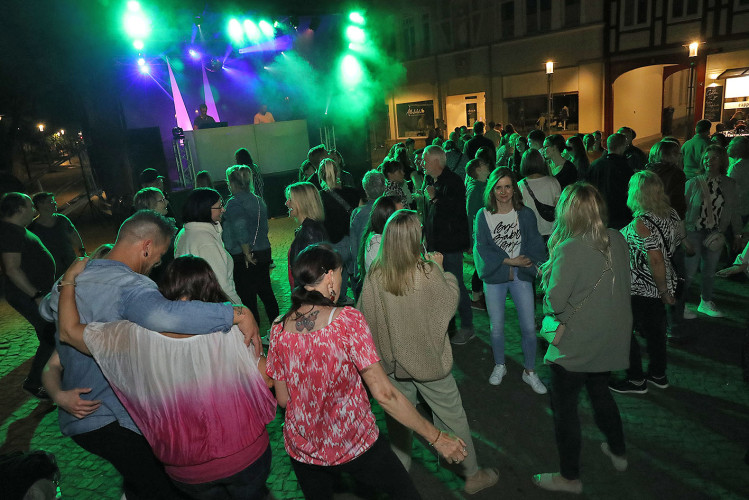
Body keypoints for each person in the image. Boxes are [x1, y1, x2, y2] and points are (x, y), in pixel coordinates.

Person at [40, 210, 261, 500]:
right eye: (159, 253)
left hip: (80, 419)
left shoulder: (73, 280)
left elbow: (47, 312)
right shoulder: (132, 287)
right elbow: (165, 316)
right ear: (146, 246)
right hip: (112, 416)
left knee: (142, 479)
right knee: (165, 487)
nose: (158, 262)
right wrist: (236, 313)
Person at [266, 244, 467, 499]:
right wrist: (436, 437)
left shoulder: (278, 329)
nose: (342, 281)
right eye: (340, 274)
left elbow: (283, 399)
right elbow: (385, 394)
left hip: (303, 450)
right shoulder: (347, 322)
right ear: (329, 276)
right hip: (354, 443)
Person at [359, 210, 499, 495]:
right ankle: (470, 474)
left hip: (392, 364)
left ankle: (400, 474)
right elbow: (449, 305)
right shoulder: (426, 271)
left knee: (400, 419)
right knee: (452, 415)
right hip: (428, 363)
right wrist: (443, 270)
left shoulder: (375, 273)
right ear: (415, 238)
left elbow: (365, 315)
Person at [532, 183, 632, 494]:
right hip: (609, 339)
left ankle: (570, 477)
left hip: (576, 345)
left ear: (568, 212)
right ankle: (618, 452)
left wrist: (547, 277)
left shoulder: (569, 248)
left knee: (565, 411)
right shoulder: (617, 238)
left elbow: (555, 304)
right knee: (601, 394)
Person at [474, 168, 548, 393]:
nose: (503, 192)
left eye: (507, 186)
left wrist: (539, 266)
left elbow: (535, 243)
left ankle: (530, 371)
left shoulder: (524, 214)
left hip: (521, 275)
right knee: (496, 328)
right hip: (496, 276)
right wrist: (510, 262)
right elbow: (481, 248)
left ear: (514, 188)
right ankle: (500, 365)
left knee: (528, 326)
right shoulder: (482, 215)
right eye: (498, 187)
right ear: (492, 189)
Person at [609, 171, 683, 394]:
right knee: (656, 333)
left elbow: (655, 258)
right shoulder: (671, 213)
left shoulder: (641, 223)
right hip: (662, 282)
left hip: (641, 287)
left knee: (625, 331)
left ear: (637, 193)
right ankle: (658, 374)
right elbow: (680, 239)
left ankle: (635, 379)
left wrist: (661, 290)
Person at [0, 192, 56, 399]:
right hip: (27, 295)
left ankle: (50, 377)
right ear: (20, 209)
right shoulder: (11, 232)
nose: (34, 210)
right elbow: (12, 269)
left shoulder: (15, 230)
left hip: (33, 293)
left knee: (51, 334)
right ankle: (34, 383)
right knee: (51, 335)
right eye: (31, 205)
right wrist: (36, 295)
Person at [681, 145, 743, 318]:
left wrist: (737, 234)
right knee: (690, 271)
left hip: (716, 234)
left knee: (709, 270)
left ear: (722, 160)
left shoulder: (730, 184)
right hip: (693, 231)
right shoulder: (693, 183)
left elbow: (734, 210)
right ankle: (682, 303)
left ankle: (705, 301)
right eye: (706, 158)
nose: (709, 161)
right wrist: (681, 234)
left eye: (714, 158)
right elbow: (681, 209)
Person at [422, 145, 474, 344]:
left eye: (425, 160)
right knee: (440, 286)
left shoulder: (453, 181)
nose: (422, 164)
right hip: (437, 243)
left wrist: (435, 197)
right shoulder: (432, 180)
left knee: (456, 284)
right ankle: (448, 327)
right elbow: (433, 214)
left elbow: (455, 212)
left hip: (450, 245)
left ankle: (467, 326)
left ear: (436, 162)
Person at [223, 166, 279, 325]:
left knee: (248, 298)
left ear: (232, 183)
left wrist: (246, 252)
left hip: (244, 255)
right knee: (266, 293)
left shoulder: (234, 203)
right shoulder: (258, 200)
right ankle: (277, 329)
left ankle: (256, 335)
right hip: (263, 251)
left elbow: (240, 227)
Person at [174, 187, 242, 304]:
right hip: (216, 307)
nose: (223, 209)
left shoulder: (184, 232)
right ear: (205, 209)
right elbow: (222, 286)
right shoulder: (205, 241)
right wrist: (240, 309)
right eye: (219, 206)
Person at [317, 158, 361, 304]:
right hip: (353, 242)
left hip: (334, 245)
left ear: (320, 175)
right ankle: (361, 307)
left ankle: (341, 316)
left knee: (337, 287)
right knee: (357, 279)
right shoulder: (353, 192)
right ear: (338, 173)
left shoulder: (320, 197)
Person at [28, 192, 85, 278]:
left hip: (70, 263)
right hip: (51, 270)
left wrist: (82, 251)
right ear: (40, 204)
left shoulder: (62, 219)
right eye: (50, 201)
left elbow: (74, 235)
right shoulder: (32, 228)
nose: (55, 203)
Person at [349, 171, 386, 297]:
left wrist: (355, 268)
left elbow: (353, 244)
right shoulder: (391, 210)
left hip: (364, 268)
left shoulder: (358, 213)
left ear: (365, 189)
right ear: (384, 187)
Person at [285, 182, 329, 289]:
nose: (286, 203)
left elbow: (312, 275)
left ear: (302, 203)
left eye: (290, 199)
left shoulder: (310, 232)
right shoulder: (308, 228)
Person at [587, 133, 634, 230]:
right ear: (622, 146)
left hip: (599, 214)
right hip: (620, 217)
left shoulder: (595, 165)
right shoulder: (625, 167)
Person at [518, 150, 561, 240]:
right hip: (551, 231)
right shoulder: (553, 182)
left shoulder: (520, 185)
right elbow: (559, 208)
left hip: (530, 232)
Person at [465, 159, 491, 310]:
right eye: (483, 164)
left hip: (487, 233)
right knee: (481, 266)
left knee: (483, 265)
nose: (487, 165)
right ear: (477, 170)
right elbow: (470, 216)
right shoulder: (476, 189)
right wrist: (470, 240)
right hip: (481, 235)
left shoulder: (483, 185)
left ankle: (479, 296)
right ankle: (476, 297)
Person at [358, 196, 402, 275]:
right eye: (399, 216)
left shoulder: (384, 238)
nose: (404, 219)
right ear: (387, 218)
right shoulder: (376, 244)